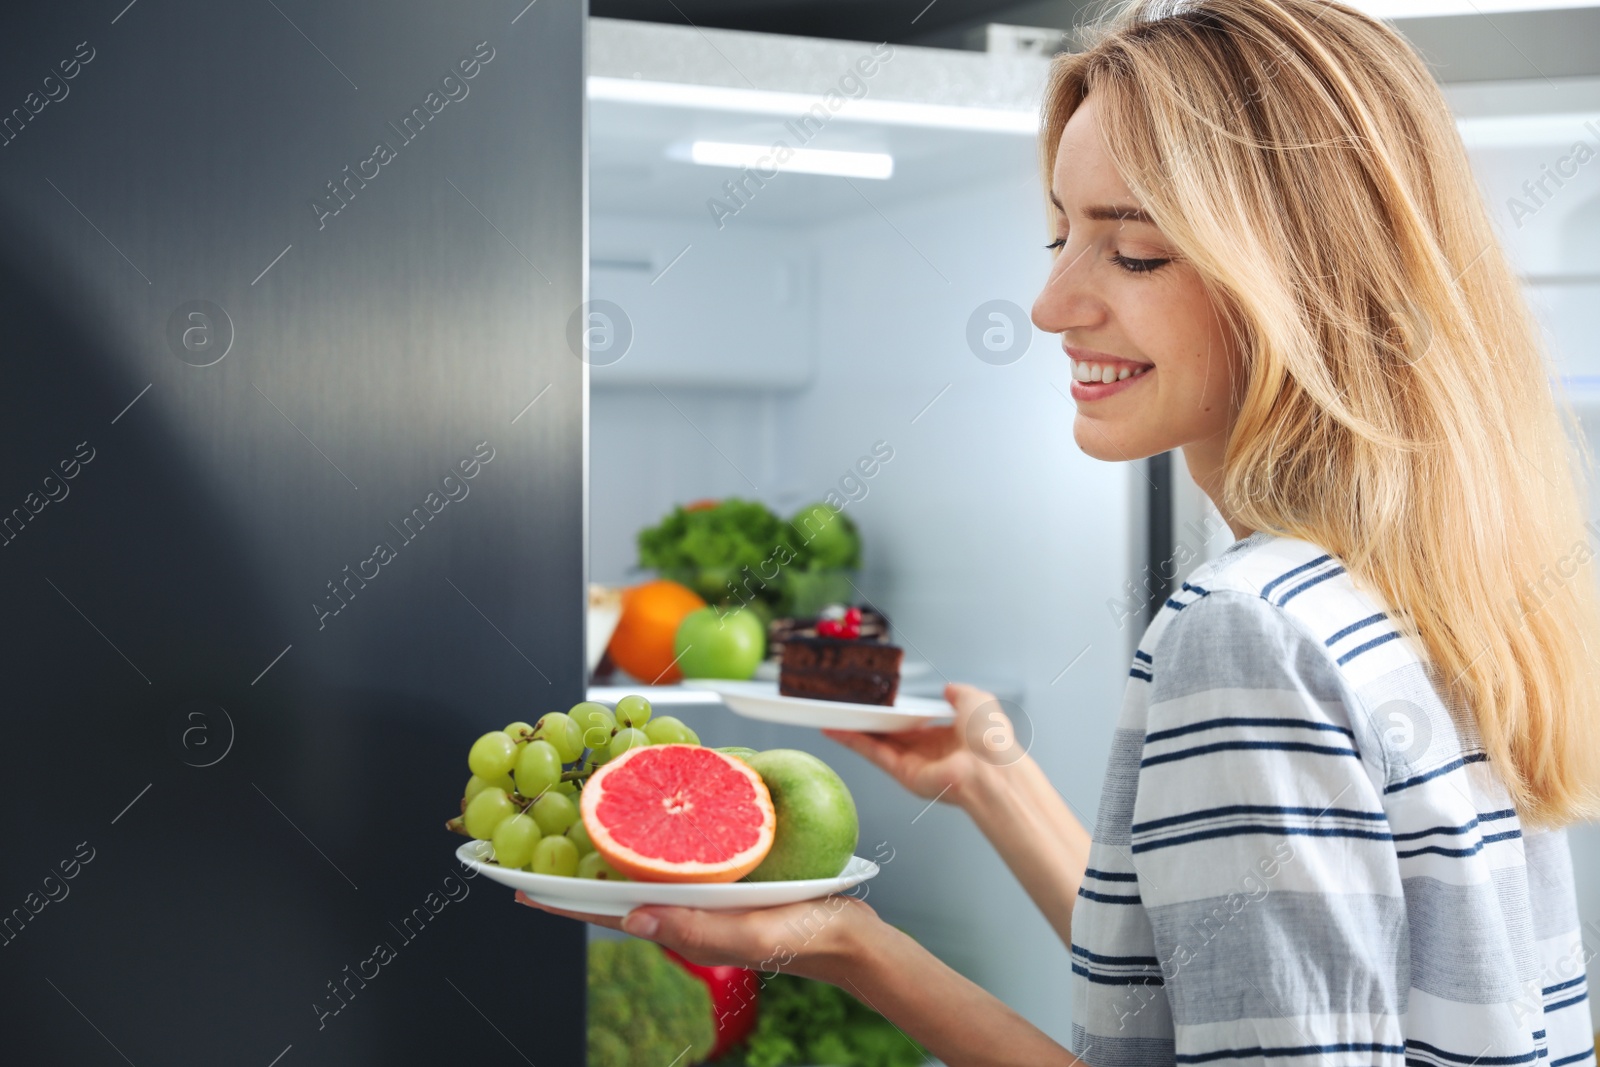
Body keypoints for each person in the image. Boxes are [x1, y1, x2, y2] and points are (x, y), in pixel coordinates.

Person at [520, 2, 1600, 1064]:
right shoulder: (1437, 592)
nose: (1049, 303)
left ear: (1306, 284)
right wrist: (991, 776)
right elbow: (1203, 969)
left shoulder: (1248, 629)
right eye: (1059, 233)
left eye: (1133, 253)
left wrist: (858, 949)